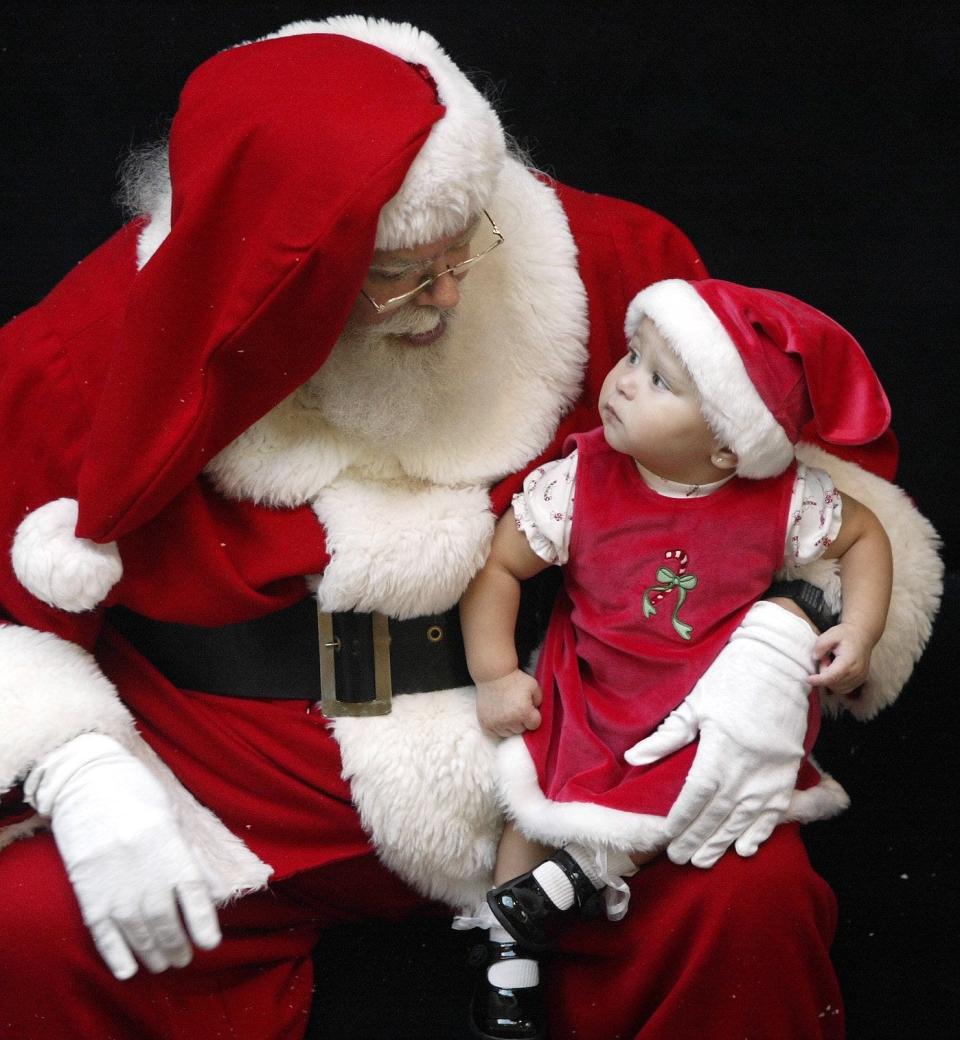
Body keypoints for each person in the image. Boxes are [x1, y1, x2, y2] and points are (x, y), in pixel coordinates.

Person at [0, 16, 941, 1040]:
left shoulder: (603, 262)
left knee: (745, 899)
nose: (447, 292)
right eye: (398, 270)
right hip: (229, 780)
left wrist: (786, 629)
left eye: (463, 248)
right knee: (32, 924)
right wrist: (73, 764)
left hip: (582, 746)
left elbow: (804, 483)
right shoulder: (85, 347)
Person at [458, 277, 893, 1034]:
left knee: (701, 794)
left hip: (707, 700)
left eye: (659, 380)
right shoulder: (580, 481)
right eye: (632, 356)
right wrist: (495, 673)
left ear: (730, 441)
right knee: (536, 797)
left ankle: (584, 876)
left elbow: (865, 538)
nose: (623, 381)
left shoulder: (781, 500)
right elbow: (498, 567)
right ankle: (508, 957)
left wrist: (859, 630)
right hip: (597, 691)